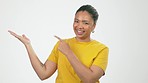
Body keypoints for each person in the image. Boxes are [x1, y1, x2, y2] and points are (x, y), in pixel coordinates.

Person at [8, 4, 109, 83]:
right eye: (76, 21)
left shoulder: (101, 49)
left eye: (85, 23)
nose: (79, 26)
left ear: (94, 26)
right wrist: (28, 45)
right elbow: (43, 74)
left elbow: (89, 79)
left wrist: (68, 52)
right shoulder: (61, 44)